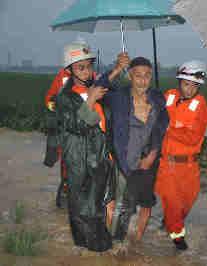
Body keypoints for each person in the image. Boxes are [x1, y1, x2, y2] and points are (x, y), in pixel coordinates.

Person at [100, 54, 169, 243]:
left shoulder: (157, 98)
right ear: (130, 76)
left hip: (148, 160)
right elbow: (97, 89)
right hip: (124, 161)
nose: (143, 80)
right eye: (138, 75)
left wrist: (153, 154)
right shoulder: (118, 97)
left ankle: (136, 242)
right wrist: (116, 69)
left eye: (147, 75)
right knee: (120, 205)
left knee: (146, 203)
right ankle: (114, 244)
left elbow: (161, 127)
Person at [54, 41, 113, 253]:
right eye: (81, 67)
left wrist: (117, 68)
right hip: (78, 158)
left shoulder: (94, 88)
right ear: (69, 70)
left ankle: (95, 247)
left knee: (95, 204)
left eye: (89, 66)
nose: (87, 71)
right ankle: (89, 248)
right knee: (80, 207)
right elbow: (77, 125)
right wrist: (90, 100)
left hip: (98, 156)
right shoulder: (64, 97)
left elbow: (104, 123)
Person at [155, 60, 207, 250]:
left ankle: (171, 222)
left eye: (194, 86)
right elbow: (154, 115)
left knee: (187, 202)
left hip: (189, 165)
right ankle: (178, 240)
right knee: (171, 202)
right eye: (186, 84)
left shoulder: (201, 108)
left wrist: (169, 127)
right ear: (179, 82)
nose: (189, 89)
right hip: (166, 164)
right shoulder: (168, 96)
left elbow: (193, 138)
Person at [43, 68, 71, 209]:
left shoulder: (93, 77)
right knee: (66, 164)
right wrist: (57, 109)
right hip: (65, 129)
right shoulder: (62, 77)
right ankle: (65, 191)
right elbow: (49, 100)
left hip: (86, 128)